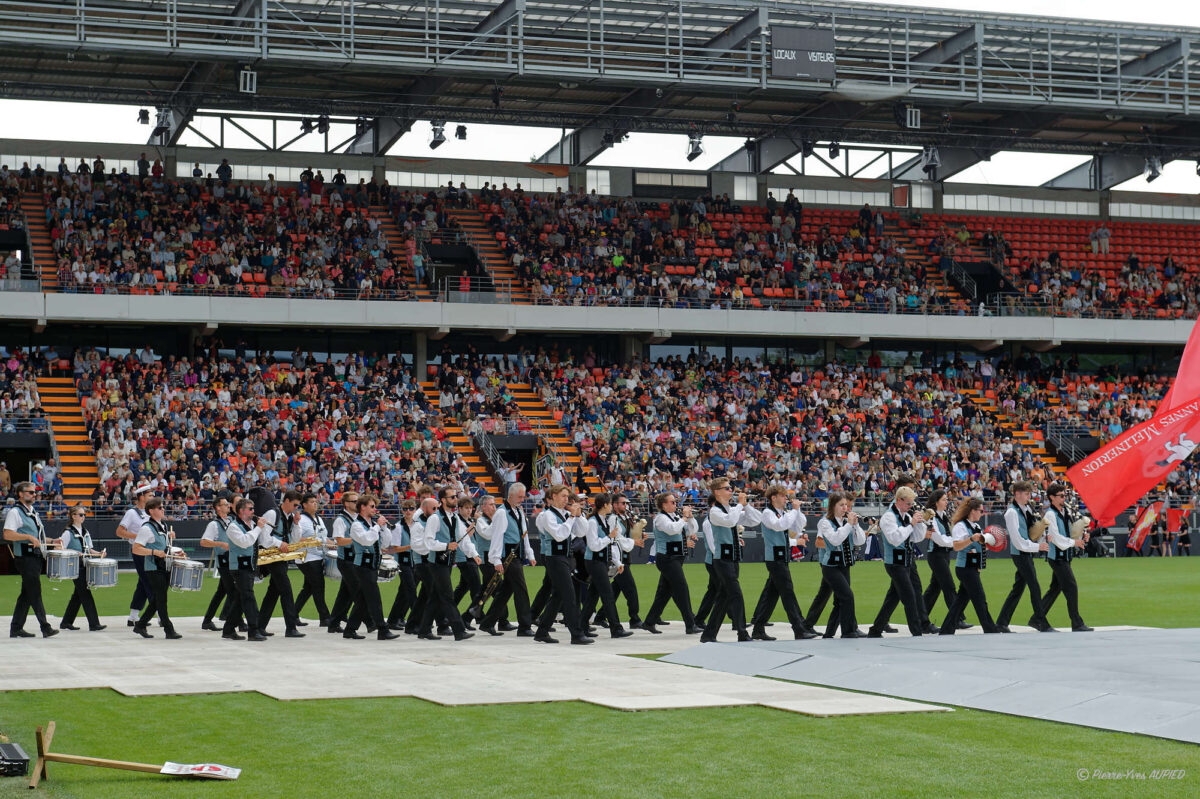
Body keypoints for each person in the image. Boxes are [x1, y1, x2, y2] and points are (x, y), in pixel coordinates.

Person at [748, 485, 817, 641]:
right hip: (774, 558)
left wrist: (797, 511)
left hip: (781, 557)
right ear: (774, 498)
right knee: (788, 593)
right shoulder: (767, 513)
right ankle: (799, 629)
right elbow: (780, 526)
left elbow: (799, 525)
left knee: (771, 596)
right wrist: (793, 510)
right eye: (783, 495)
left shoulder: (784, 513)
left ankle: (758, 628)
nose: (786, 498)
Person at [700, 478, 758, 643]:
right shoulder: (715, 512)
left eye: (730, 488)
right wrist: (740, 505)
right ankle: (742, 633)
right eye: (726, 488)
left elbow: (755, 520)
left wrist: (745, 505)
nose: (730, 491)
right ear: (717, 492)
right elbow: (730, 521)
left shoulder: (730, 509)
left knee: (723, 598)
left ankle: (708, 635)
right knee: (736, 595)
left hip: (732, 559)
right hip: (722, 560)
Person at [533, 485, 592, 644]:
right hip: (554, 559)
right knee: (569, 595)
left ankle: (542, 631)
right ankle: (577, 634)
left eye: (567, 496)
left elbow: (581, 532)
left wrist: (579, 516)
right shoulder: (547, 515)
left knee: (558, 597)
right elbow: (559, 535)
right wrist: (572, 518)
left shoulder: (566, 514)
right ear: (553, 497)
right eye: (563, 496)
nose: (567, 499)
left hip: (566, 558)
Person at [869, 486, 930, 637]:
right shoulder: (889, 517)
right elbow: (895, 539)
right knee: (909, 597)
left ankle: (876, 630)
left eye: (912, 503)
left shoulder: (906, 516)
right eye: (908, 503)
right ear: (899, 500)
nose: (910, 506)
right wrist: (911, 525)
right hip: (894, 563)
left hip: (906, 561)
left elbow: (917, 538)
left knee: (893, 598)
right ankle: (917, 632)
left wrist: (921, 522)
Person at [416, 486, 473, 641]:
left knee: (434, 597)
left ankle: (424, 630)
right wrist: (446, 546)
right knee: (447, 597)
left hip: (447, 562)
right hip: (436, 563)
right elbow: (428, 542)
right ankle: (459, 630)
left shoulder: (455, 518)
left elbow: (464, 537)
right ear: (443, 500)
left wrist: (473, 554)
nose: (455, 499)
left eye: (455, 496)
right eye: (452, 497)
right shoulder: (435, 518)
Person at [996, 481, 1054, 633]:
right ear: (1017, 494)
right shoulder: (1012, 512)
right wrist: (1038, 546)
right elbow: (1017, 541)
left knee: (1018, 589)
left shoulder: (1026, 508)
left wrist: (1042, 539)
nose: (1029, 496)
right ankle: (1040, 621)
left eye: (1029, 493)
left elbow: (1031, 531)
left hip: (1026, 552)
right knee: (1034, 587)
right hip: (1021, 553)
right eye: (1026, 494)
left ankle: (1001, 623)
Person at [642, 491, 702, 635]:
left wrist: (690, 517)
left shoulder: (674, 517)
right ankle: (690, 624)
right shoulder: (661, 518)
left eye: (675, 502)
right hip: (667, 559)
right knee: (682, 590)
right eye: (673, 502)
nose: (676, 504)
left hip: (675, 558)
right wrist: (685, 517)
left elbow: (692, 529)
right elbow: (672, 530)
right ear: (664, 505)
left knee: (664, 593)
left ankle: (649, 622)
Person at [481, 482, 537, 637]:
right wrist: (496, 560)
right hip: (508, 557)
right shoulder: (501, 513)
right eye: (519, 496)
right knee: (521, 590)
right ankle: (525, 626)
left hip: (517, 555)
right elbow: (497, 537)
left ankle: (487, 623)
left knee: (506, 591)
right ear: (510, 496)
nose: (522, 499)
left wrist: (530, 554)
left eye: (523, 496)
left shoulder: (518, 511)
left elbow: (524, 535)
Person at [343, 494, 401, 641]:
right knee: (374, 599)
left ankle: (350, 629)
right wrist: (377, 526)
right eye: (372, 506)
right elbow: (367, 540)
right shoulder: (357, 525)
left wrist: (384, 528)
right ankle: (383, 629)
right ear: (363, 507)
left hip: (371, 567)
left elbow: (385, 543)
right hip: (362, 567)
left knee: (362, 600)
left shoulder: (371, 524)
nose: (375, 509)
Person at [939, 498, 1000, 635]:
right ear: (973, 511)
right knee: (980, 599)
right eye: (980, 510)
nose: (982, 513)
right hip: (965, 568)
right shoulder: (960, 526)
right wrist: (972, 539)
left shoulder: (976, 527)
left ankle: (946, 630)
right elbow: (956, 546)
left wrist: (989, 543)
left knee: (959, 602)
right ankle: (991, 630)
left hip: (972, 568)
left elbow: (979, 547)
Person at [5, 481, 58, 638]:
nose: (35, 495)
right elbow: (7, 534)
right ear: (20, 494)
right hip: (25, 558)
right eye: (30, 492)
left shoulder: (32, 511)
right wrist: (27, 536)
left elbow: (38, 538)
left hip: (34, 557)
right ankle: (45, 627)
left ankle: (16, 628)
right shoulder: (15, 512)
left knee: (27, 594)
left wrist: (53, 541)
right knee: (35, 591)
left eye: (35, 493)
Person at [1040, 483, 1093, 632]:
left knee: (1055, 589)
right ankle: (1076, 623)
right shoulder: (1050, 514)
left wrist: (1083, 536)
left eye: (1065, 496)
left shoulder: (1064, 512)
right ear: (1051, 498)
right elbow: (1056, 537)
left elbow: (1071, 532)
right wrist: (1074, 542)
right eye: (1061, 496)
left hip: (1064, 556)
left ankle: (1037, 618)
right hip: (1057, 557)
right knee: (1071, 587)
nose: (1064, 498)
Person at [814, 492, 866, 639]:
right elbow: (835, 540)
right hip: (830, 567)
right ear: (833, 506)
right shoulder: (825, 523)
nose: (845, 508)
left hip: (844, 565)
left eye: (846, 505)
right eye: (841, 505)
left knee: (839, 601)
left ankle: (829, 633)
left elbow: (860, 541)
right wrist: (849, 524)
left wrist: (855, 526)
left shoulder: (846, 523)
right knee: (847, 596)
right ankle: (848, 631)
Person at [130, 498, 182, 639]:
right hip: (153, 568)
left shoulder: (163, 526)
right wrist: (153, 552)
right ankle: (168, 630)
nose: (163, 509)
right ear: (151, 511)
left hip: (164, 567)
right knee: (162, 599)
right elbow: (136, 548)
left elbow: (164, 548)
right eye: (160, 508)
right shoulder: (147, 528)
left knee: (157, 599)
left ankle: (140, 625)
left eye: (163, 507)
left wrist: (176, 553)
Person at [582, 492, 633, 638]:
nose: (611, 506)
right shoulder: (593, 522)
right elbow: (593, 545)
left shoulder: (603, 520)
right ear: (604, 505)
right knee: (607, 594)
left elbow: (611, 545)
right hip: (594, 561)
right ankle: (616, 628)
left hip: (601, 561)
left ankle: (582, 626)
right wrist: (608, 537)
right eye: (610, 504)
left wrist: (617, 562)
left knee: (593, 595)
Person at [257, 490, 305, 638]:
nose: (296, 508)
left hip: (281, 557)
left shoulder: (290, 517)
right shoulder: (272, 514)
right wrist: (280, 543)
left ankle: (259, 626)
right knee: (286, 590)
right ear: (287, 501)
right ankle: (291, 628)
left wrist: (296, 524)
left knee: (273, 592)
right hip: (271, 556)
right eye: (295, 505)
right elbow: (263, 539)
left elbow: (296, 539)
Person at [223, 498, 267, 642]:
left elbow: (263, 541)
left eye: (253, 508)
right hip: (239, 567)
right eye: (250, 509)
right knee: (248, 597)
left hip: (249, 566)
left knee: (239, 599)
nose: (253, 511)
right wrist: (259, 528)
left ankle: (228, 630)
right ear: (241, 511)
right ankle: (254, 631)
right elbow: (245, 542)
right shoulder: (233, 527)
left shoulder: (253, 524)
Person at [921, 489, 966, 629]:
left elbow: (946, 536)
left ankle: (919, 615)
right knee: (949, 585)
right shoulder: (931, 517)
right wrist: (954, 542)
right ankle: (956, 619)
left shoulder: (944, 515)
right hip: (936, 555)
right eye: (944, 500)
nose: (947, 502)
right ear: (936, 502)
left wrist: (951, 540)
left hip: (945, 555)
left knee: (934, 588)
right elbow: (938, 539)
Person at [57, 504, 106, 631]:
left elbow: (89, 549)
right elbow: (59, 548)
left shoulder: (85, 531)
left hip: (85, 564)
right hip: (74, 565)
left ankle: (66, 622)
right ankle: (94, 624)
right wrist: (74, 552)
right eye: (81, 515)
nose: (83, 517)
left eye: (84, 515)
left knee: (78, 595)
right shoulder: (68, 532)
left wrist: (99, 553)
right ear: (73, 516)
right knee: (86, 593)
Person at [116, 481, 154, 628]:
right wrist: (137, 536)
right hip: (139, 551)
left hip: (150, 551)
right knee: (150, 582)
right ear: (141, 496)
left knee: (143, 584)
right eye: (150, 495)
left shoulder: (150, 512)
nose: (153, 496)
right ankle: (159, 615)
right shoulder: (132, 513)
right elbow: (119, 532)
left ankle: (133, 617)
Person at [199, 495, 237, 631]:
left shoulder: (232, 520)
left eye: (228, 504)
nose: (228, 506)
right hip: (224, 561)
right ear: (218, 508)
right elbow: (203, 542)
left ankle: (207, 621)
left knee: (221, 592)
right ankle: (238, 622)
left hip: (232, 560)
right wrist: (220, 543)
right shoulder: (214, 524)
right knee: (234, 592)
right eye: (225, 504)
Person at [325, 491, 360, 633]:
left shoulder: (357, 518)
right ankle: (370, 621)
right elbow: (339, 541)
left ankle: (333, 623)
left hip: (354, 559)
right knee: (358, 591)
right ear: (346, 504)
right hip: (345, 560)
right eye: (354, 501)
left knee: (345, 594)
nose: (357, 503)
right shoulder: (341, 519)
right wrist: (357, 539)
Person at [294, 492, 332, 626]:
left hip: (318, 556)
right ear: (304, 505)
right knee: (318, 586)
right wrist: (314, 541)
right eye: (311, 502)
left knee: (309, 588)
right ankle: (325, 618)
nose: (315, 503)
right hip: (307, 557)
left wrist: (334, 545)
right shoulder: (301, 520)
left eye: (316, 501)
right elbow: (296, 537)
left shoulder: (319, 519)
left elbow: (324, 537)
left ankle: (292, 615)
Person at [451, 496, 484, 629]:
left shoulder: (467, 520)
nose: (469, 510)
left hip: (469, 557)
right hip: (464, 558)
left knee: (462, 588)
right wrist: (475, 521)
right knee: (477, 589)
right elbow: (464, 538)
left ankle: (447, 613)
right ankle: (474, 616)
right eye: (466, 508)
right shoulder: (459, 521)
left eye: (470, 508)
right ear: (459, 509)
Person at [385, 501, 419, 630]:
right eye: (405, 509)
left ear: (415, 509)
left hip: (414, 561)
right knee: (411, 591)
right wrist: (411, 546)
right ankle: (416, 621)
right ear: (402, 510)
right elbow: (395, 548)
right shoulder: (398, 527)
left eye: (411, 508)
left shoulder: (418, 525)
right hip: (403, 562)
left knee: (404, 592)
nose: (408, 511)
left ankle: (394, 620)